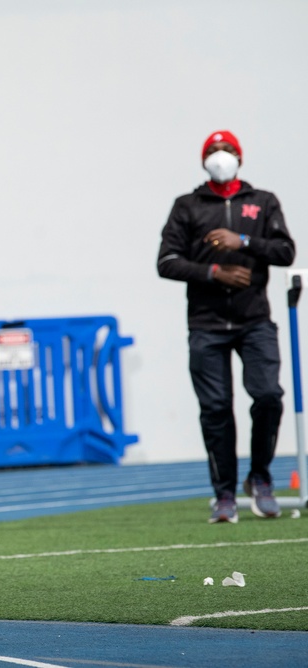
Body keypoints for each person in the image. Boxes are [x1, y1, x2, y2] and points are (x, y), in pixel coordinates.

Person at [157, 129, 295, 524]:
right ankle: (224, 494)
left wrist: (244, 242)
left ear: (240, 157)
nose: (221, 156)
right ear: (203, 160)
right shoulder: (187, 206)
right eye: (214, 151)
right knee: (215, 409)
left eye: (228, 150)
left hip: (255, 321)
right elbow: (166, 261)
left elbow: (285, 251)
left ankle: (261, 478)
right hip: (207, 324)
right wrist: (213, 271)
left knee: (268, 395)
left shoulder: (262, 202)